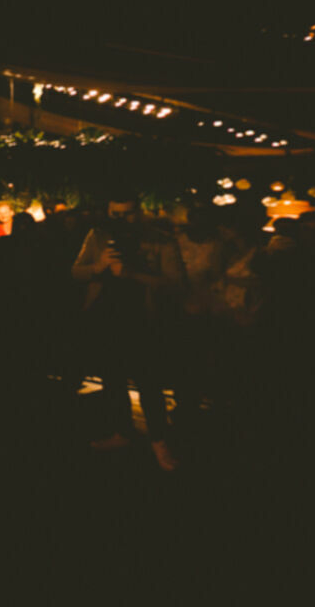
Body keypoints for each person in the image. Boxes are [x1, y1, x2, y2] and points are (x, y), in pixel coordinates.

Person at [71, 194, 185, 471]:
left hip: (143, 321)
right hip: (106, 319)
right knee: (112, 380)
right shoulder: (98, 236)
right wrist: (99, 266)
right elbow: (76, 272)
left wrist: (131, 274)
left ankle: (159, 441)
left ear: (140, 212)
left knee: (149, 384)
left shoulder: (160, 239)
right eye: (115, 214)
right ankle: (122, 432)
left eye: (128, 214)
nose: (121, 220)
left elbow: (176, 285)